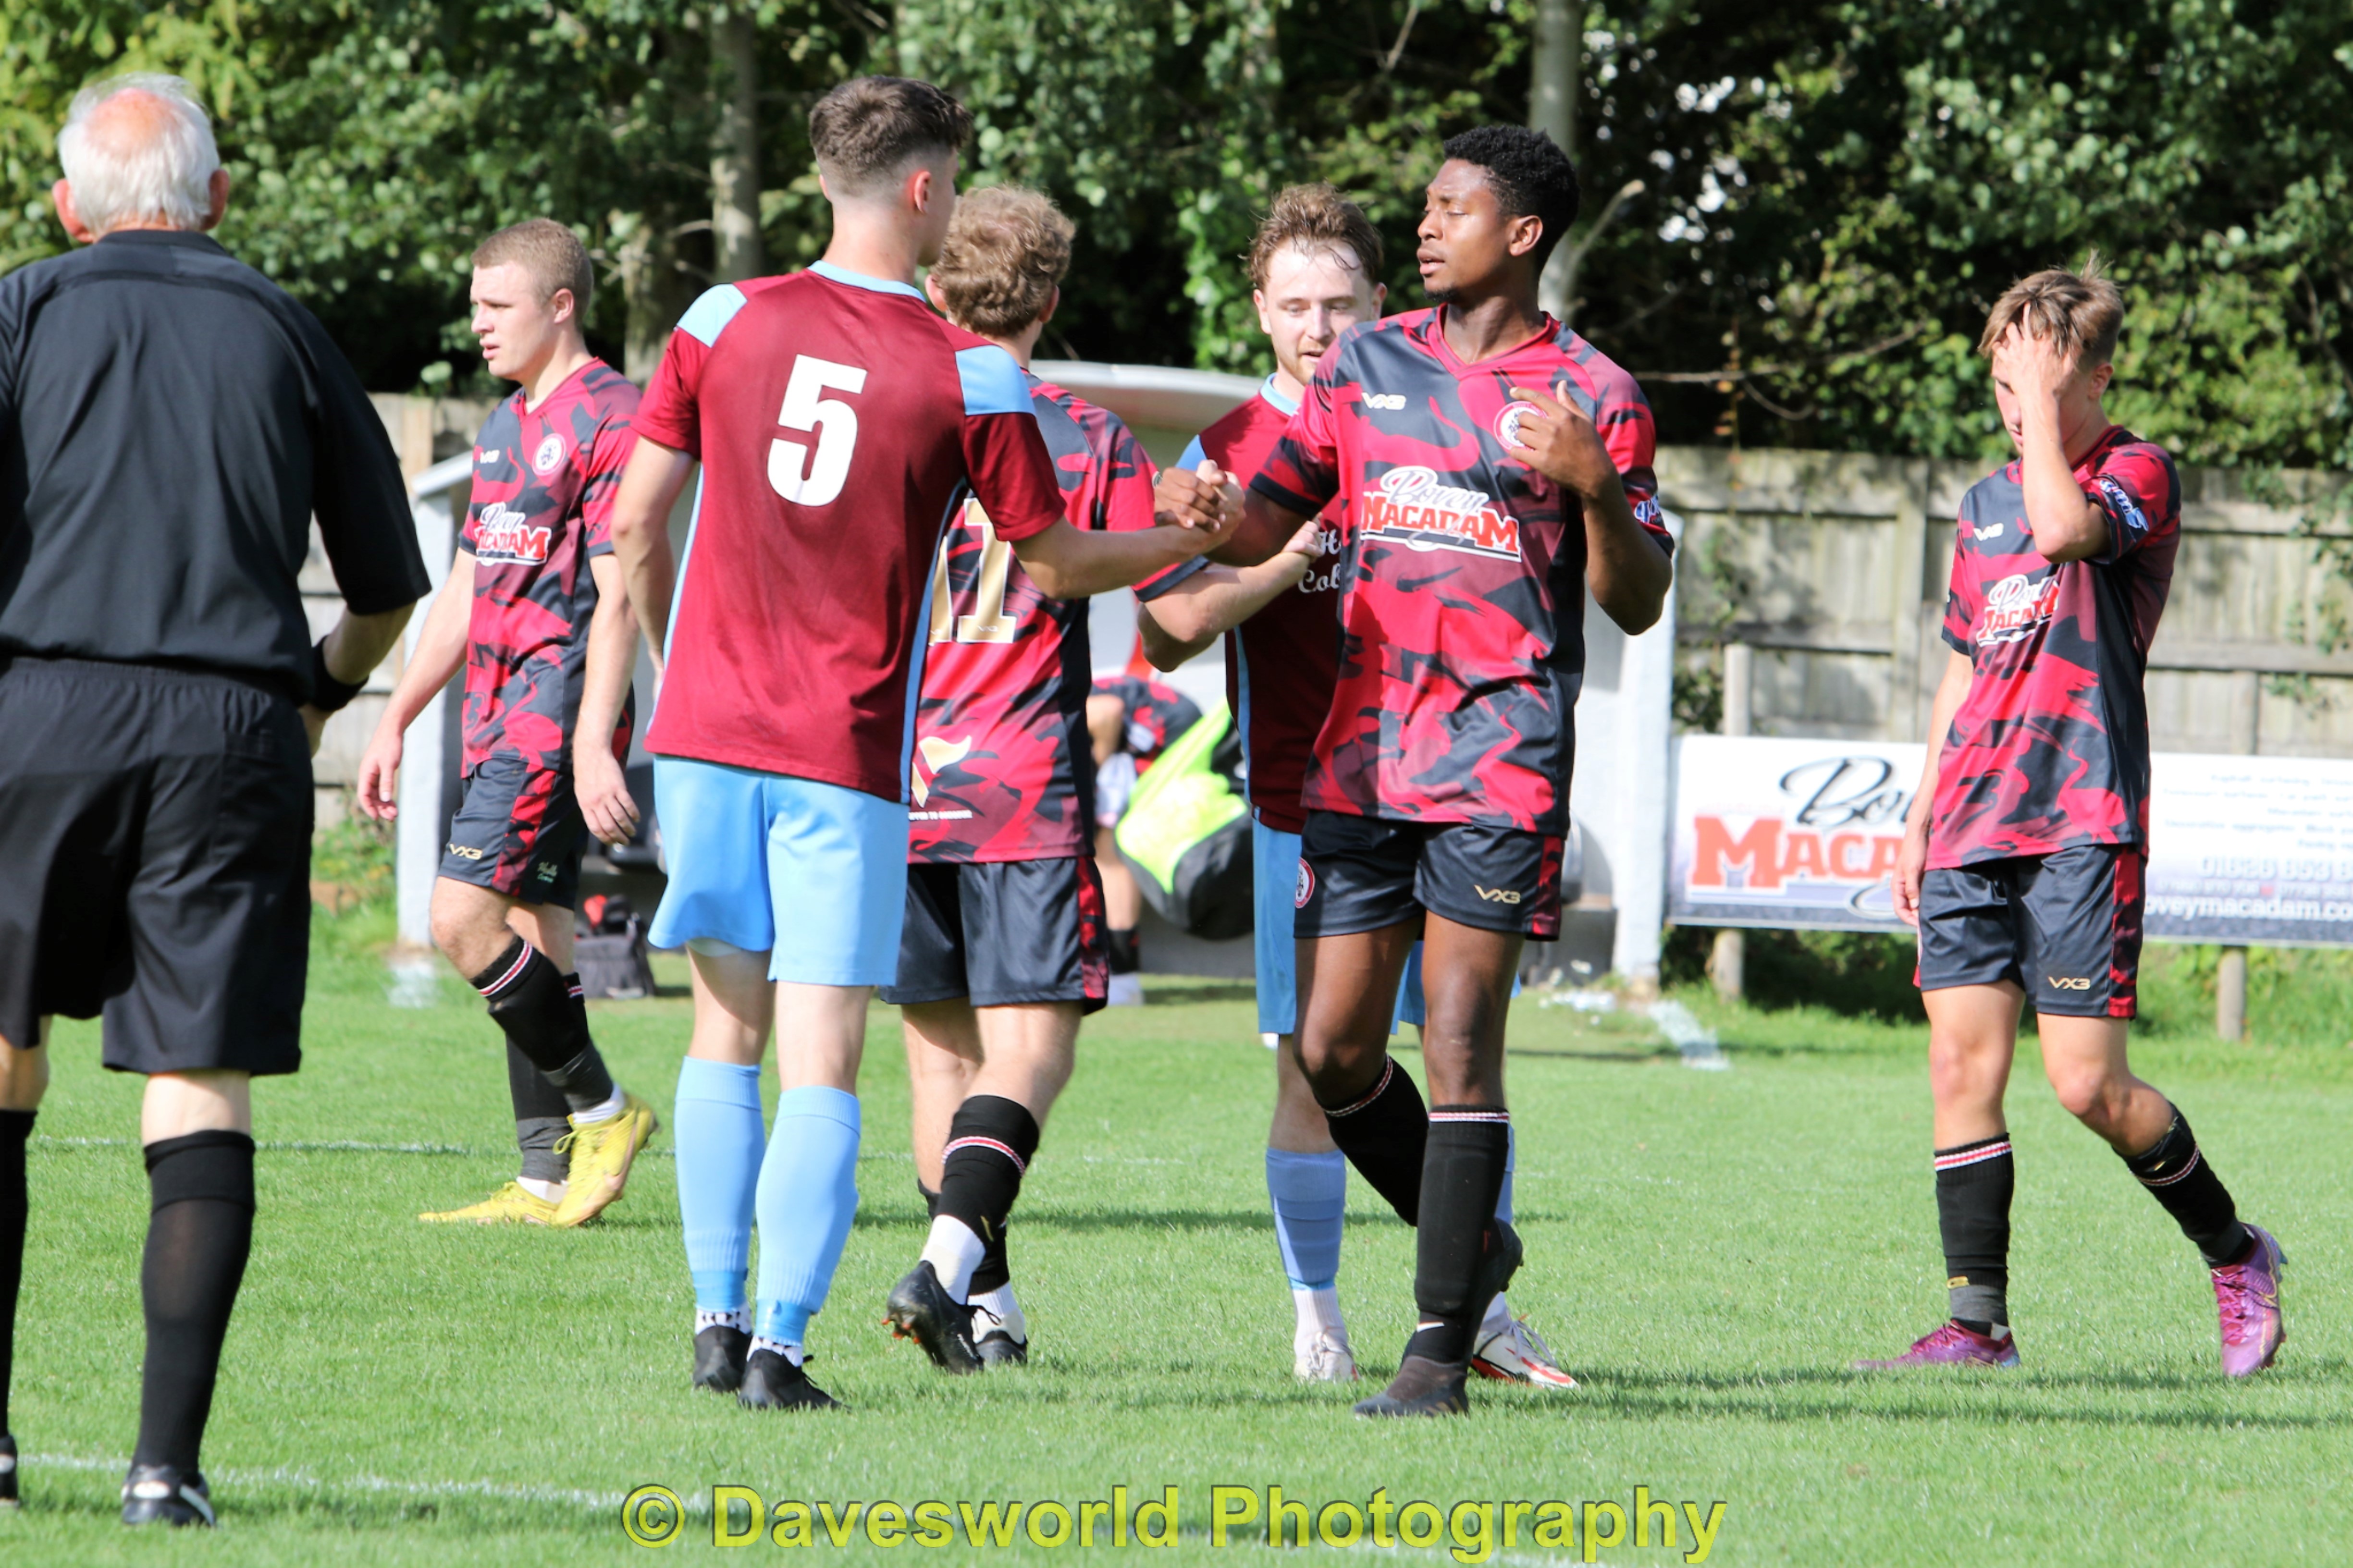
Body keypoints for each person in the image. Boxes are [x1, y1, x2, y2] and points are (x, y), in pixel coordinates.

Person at [607, 76, 1232, 1412]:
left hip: (702, 737)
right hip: (840, 753)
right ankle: (779, 1351)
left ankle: (713, 1324)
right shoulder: (973, 371)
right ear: (924, 188)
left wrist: (675, 671)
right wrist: (1175, 536)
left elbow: (633, 524)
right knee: (822, 1053)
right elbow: (1052, 561)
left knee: (721, 1033)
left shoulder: (717, 316)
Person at [1157, 126, 1676, 1418]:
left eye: (1453, 208)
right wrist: (1202, 523)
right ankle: (1473, 1244)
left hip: (1499, 766)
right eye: (1428, 206)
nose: (1428, 226)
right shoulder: (1365, 366)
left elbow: (1638, 600)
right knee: (1331, 1051)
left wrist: (1595, 490)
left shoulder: (1594, 394)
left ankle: (1438, 1355)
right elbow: (1262, 520)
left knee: (1455, 1040)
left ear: (1523, 234)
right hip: (1358, 758)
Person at [0, 75, 429, 1523]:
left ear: (69, 206)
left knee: (1, 1059)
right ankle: (164, 1470)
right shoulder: (284, 326)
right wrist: (311, 695)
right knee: (199, 1083)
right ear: (220, 199)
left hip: (36, 715)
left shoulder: (23, 309)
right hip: (232, 729)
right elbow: (386, 590)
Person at [1863, 259, 2283, 1376]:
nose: (2016, 406)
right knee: (1959, 1069)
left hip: (2078, 820)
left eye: (2040, 381)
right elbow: (1964, 665)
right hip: (1969, 822)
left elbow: (2061, 531)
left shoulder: (2136, 471)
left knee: (2086, 1084)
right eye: (2003, 383)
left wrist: (2045, 418)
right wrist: (1918, 812)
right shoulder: (1978, 506)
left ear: (2092, 377)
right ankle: (1976, 1328)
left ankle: (2236, 1252)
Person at [879, 186, 1196, 1371]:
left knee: (937, 1059)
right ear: (1051, 299)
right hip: (1017, 778)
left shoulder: (888, 416)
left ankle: (988, 1310)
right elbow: (1162, 610)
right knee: (1033, 1049)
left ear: (935, 287)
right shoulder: (1083, 434)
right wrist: (1223, 542)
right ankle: (946, 1268)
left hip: (894, 778)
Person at [356, 220, 655, 1228]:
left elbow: (619, 598)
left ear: (560, 306)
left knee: (459, 919)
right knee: (536, 932)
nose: (478, 324)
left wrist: (591, 739)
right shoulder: (502, 424)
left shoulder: (613, 417)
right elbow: (467, 590)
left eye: (498, 305)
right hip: (495, 710)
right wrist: (397, 714)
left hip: (554, 710)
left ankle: (604, 1110)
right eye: (475, 305)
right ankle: (546, 1177)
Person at [1084, 671, 1203, 1001]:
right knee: (1110, 852)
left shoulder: (1037, 708)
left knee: (1110, 854)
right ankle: (1120, 977)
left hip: (1167, 734)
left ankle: (1122, 979)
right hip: (1161, 737)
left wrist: (1098, 768)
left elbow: (1105, 712)